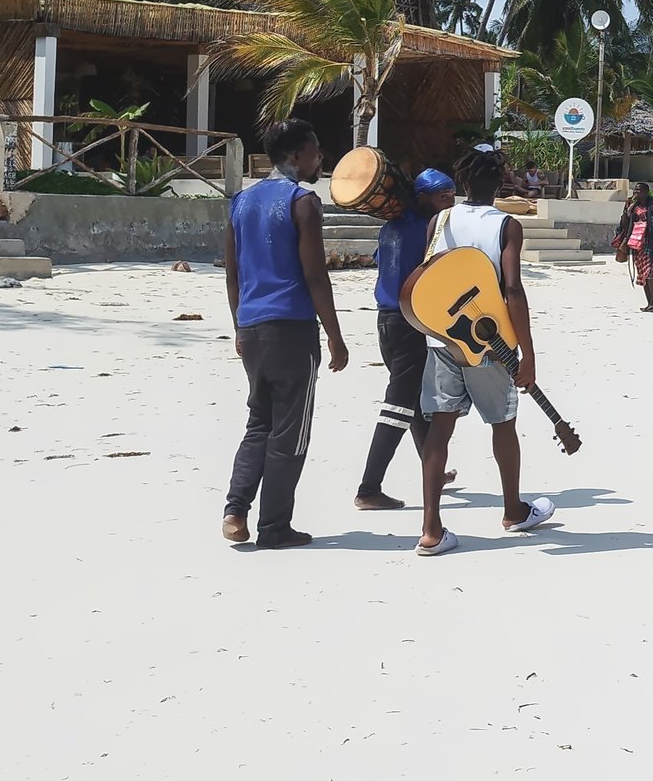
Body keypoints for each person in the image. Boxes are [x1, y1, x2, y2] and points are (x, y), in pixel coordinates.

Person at [414, 144, 555, 556]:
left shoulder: (440, 219)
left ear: (462, 182)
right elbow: (512, 288)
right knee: (503, 423)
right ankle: (513, 511)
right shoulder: (506, 225)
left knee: (440, 429)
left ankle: (430, 529)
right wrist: (526, 353)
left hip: (441, 336)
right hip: (487, 342)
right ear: (501, 185)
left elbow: (429, 276)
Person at [221, 119, 349, 548]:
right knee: (290, 430)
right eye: (315, 151)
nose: (320, 158)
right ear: (296, 155)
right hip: (292, 328)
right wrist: (335, 334)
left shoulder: (240, 202)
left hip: (253, 327)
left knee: (260, 421)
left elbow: (233, 275)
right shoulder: (303, 201)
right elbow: (315, 275)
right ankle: (274, 526)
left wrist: (239, 325)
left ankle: (235, 511)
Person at [354, 167, 458, 511]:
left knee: (413, 401)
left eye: (452, 195)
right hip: (407, 322)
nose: (450, 202)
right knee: (398, 405)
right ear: (423, 198)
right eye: (443, 197)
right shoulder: (428, 231)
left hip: (385, 321)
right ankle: (368, 488)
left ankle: (435, 471)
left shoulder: (390, 228)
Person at [611, 181, 653, 312]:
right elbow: (624, 223)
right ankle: (651, 301)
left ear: (646, 192)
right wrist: (626, 210)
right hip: (637, 242)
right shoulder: (633, 206)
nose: (636, 192)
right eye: (635, 190)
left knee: (649, 271)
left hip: (652, 243)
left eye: (639, 190)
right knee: (642, 272)